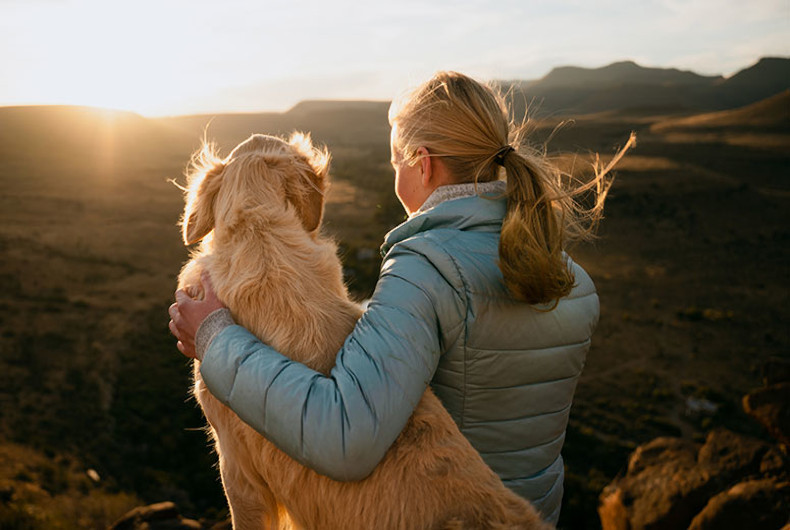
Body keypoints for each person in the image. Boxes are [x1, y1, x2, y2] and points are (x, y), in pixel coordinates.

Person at [169, 71, 631, 524]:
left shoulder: (424, 269)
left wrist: (216, 336)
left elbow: (345, 437)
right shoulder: (570, 278)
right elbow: (472, 349)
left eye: (396, 163)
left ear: (422, 163)